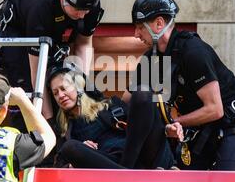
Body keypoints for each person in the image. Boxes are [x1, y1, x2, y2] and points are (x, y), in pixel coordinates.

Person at [121, 0, 235, 172]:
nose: (136, 34)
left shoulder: (193, 51)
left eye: (140, 27)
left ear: (158, 23)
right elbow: (127, 102)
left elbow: (215, 109)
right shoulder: (150, 60)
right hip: (200, 131)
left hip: (231, 126)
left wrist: (174, 122)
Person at [0, 0, 104, 128]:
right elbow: (36, 70)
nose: (81, 15)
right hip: (19, 32)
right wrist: (48, 122)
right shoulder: (41, 7)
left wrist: (81, 89)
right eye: (77, 10)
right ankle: (30, 137)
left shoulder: (90, 5)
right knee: (27, 90)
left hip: (51, 30)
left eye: (85, 11)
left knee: (63, 84)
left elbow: (83, 43)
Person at [48, 62, 183, 169]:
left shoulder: (111, 105)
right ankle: (125, 173)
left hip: (141, 154)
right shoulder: (63, 129)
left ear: (79, 86)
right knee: (70, 147)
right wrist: (80, 150)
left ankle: (126, 171)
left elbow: (141, 125)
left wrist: (166, 129)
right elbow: (58, 163)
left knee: (143, 93)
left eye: (64, 88)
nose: (60, 95)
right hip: (109, 163)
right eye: (55, 93)